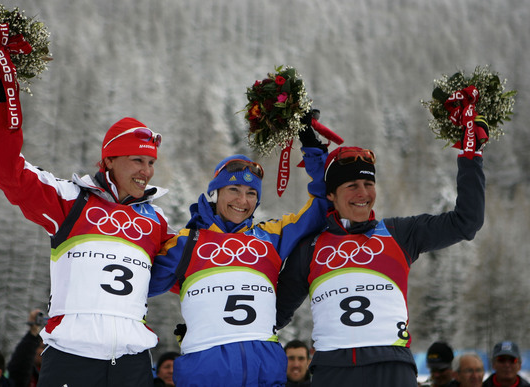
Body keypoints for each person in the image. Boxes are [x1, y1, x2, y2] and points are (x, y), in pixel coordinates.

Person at [0, 55, 176, 387]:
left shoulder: (156, 220)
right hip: (72, 358)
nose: (147, 171)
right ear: (109, 159)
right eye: (137, 160)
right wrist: (0, 100)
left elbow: (192, 269)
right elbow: (6, 170)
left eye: (151, 162)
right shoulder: (70, 200)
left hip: (132, 363)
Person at [276, 126, 487, 387]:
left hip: (392, 366)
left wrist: (471, 155)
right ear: (331, 194)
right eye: (351, 185)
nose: (362, 193)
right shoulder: (311, 247)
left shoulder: (399, 233)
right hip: (332, 369)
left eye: (368, 184)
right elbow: (275, 314)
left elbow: (467, 222)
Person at [149, 127, 330, 386]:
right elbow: (136, 286)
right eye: (233, 189)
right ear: (215, 192)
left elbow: (322, 204)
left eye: (251, 193)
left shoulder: (270, 237)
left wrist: (313, 149)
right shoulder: (185, 244)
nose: (242, 200)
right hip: (207, 376)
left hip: (265, 375)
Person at [7, 309, 46, 387]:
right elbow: (21, 361)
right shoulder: (25, 372)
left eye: (46, 347)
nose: (43, 351)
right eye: (40, 347)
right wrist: (33, 333)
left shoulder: (53, 371)